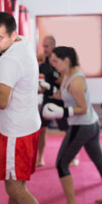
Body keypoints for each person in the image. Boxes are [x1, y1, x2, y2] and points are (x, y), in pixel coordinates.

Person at [0, 12, 47, 204]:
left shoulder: (8, 60)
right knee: (17, 186)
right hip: (30, 124)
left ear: (13, 35)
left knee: (14, 188)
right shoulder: (24, 44)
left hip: (16, 132)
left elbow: (1, 100)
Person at [43, 46, 102, 204]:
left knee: (61, 164)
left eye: (55, 61)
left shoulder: (76, 81)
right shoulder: (68, 74)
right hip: (92, 123)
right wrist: (47, 88)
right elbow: (63, 94)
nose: (53, 65)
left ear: (66, 60)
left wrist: (63, 112)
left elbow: (82, 108)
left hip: (82, 125)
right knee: (99, 161)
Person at [36, 35, 72, 167]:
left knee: (66, 129)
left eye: (46, 46)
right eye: (43, 46)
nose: (44, 49)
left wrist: (53, 74)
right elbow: (30, 61)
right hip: (48, 97)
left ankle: (71, 157)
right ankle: (40, 157)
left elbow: (65, 80)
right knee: (42, 128)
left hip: (60, 98)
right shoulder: (42, 57)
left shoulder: (60, 60)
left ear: (53, 46)